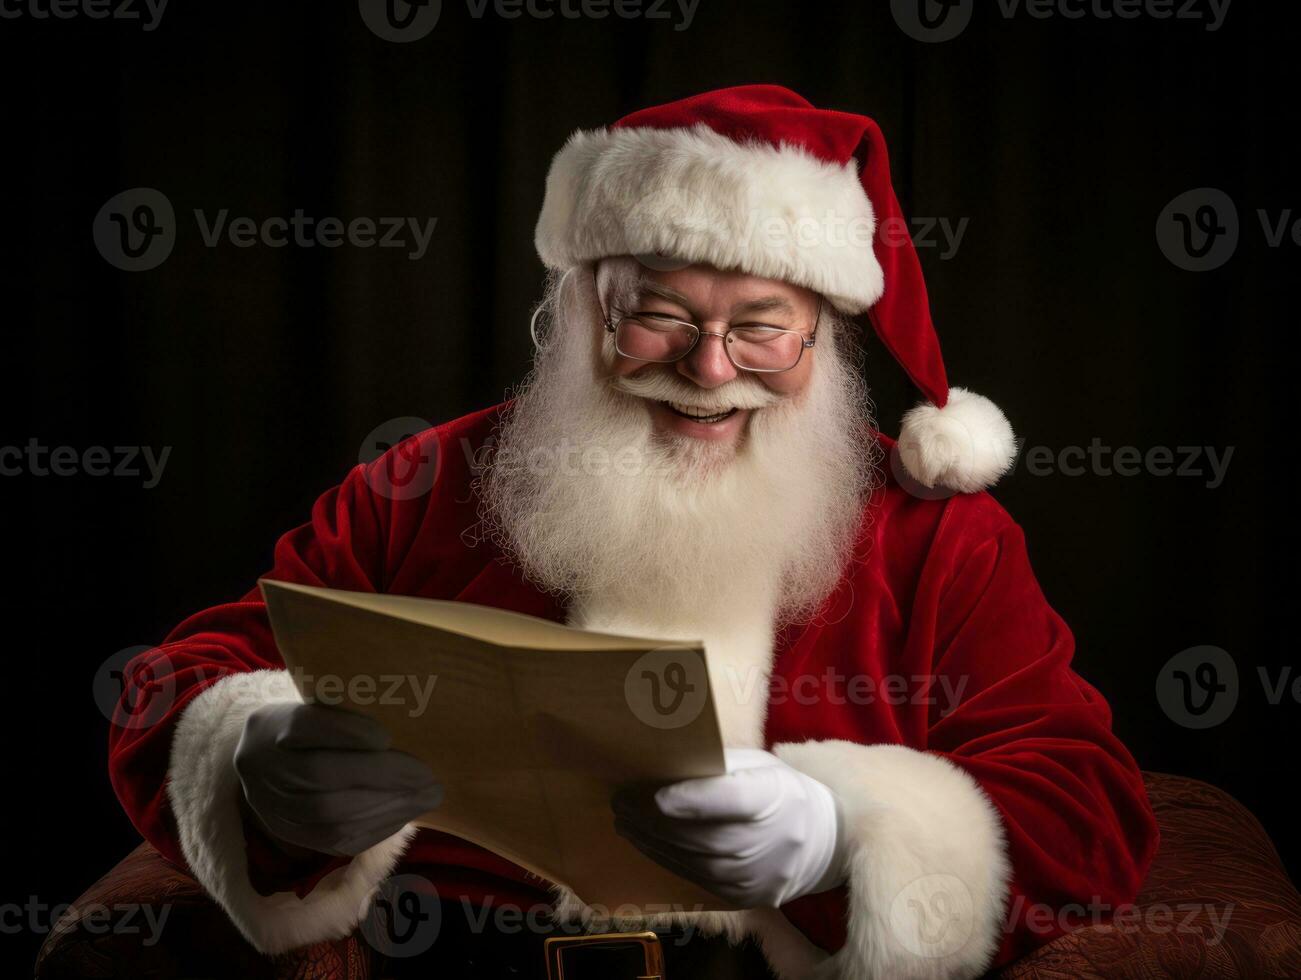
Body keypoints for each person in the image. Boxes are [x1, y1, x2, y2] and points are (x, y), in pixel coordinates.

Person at [108, 85, 1158, 979]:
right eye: (657, 312)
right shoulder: (423, 485)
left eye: (759, 325)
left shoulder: (935, 537)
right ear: (581, 309)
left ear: (822, 335)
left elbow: (1088, 805)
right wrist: (255, 758)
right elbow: (185, 677)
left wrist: (847, 836)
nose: (707, 370)